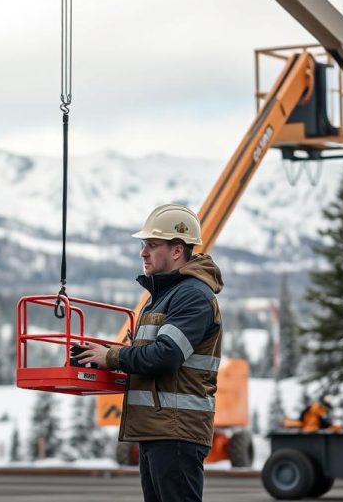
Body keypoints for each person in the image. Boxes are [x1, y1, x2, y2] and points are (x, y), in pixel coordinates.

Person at [77, 204, 223, 502]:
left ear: (177, 250)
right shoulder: (160, 298)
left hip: (176, 430)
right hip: (158, 428)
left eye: (152, 245)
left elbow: (166, 355)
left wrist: (112, 357)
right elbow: (148, 355)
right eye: (144, 244)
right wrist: (106, 358)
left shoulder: (192, 296)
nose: (143, 252)